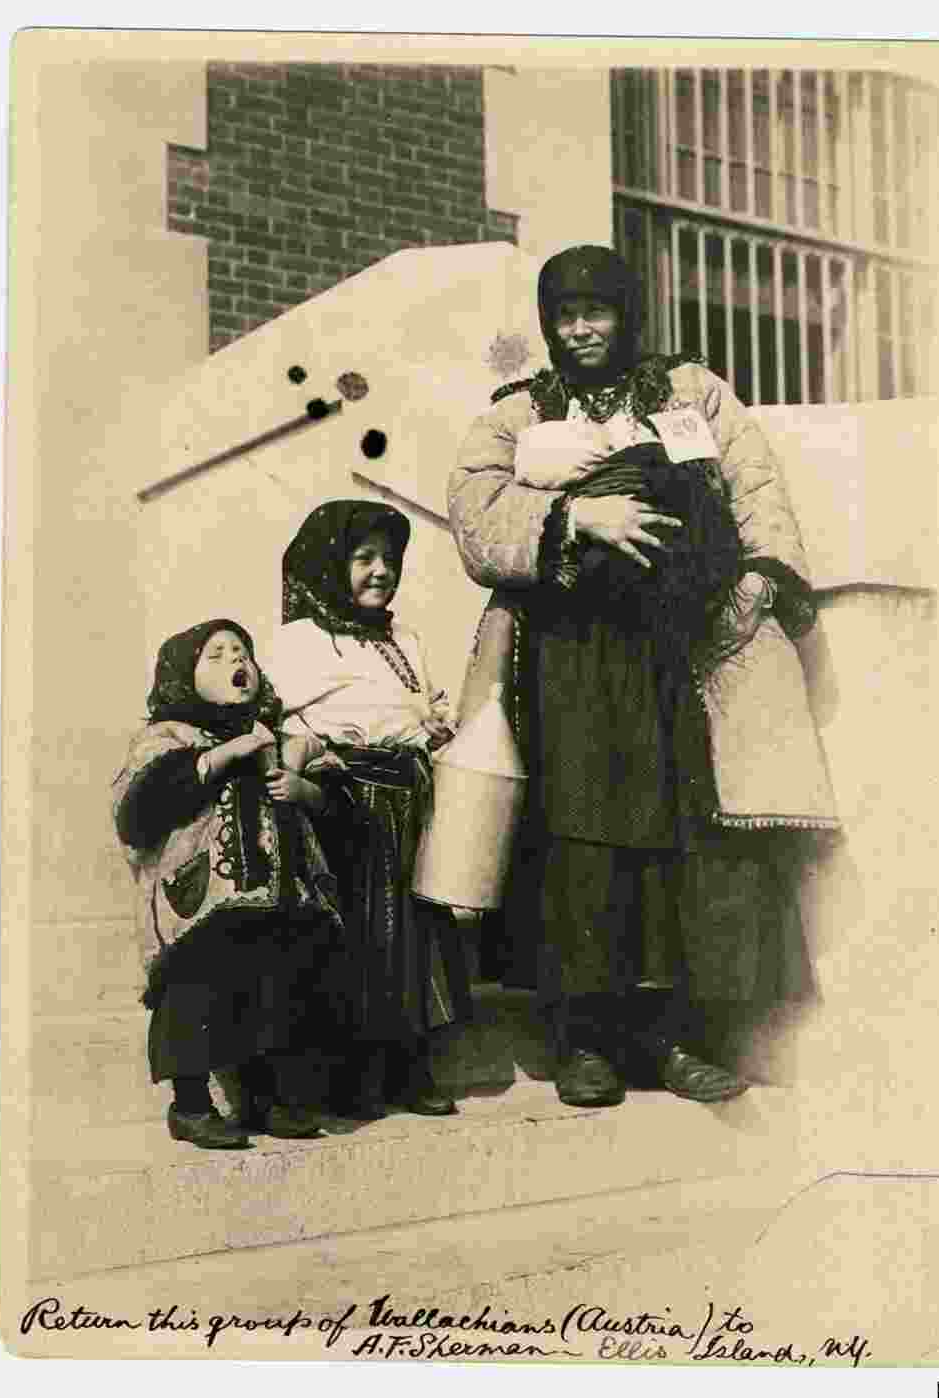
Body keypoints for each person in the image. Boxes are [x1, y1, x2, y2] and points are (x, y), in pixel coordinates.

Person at [448, 245, 839, 1109]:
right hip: (574, 652)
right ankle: (586, 1040)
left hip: (683, 648)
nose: (582, 330)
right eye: (565, 316)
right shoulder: (518, 412)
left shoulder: (690, 390)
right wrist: (577, 514)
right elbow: (473, 510)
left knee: (691, 836)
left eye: (598, 312)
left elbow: (754, 480)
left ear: (629, 313)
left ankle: (679, 1040)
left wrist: (761, 576)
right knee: (585, 835)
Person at [264, 500, 472, 1119]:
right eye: (363, 558)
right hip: (348, 806)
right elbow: (285, 726)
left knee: (415, 939)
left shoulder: (403, 637)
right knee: (358, 938)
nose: (381, 571)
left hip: (412, 802)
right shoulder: (300, 641)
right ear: (331, 566)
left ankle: (410, 1066)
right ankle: (353, 1075)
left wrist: (435, 727)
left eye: (390, 559)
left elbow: (417, 709)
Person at [113, 618, 351, 1149]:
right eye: (215, 655)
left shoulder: (284, 738)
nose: (235, 662)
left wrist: (306, 789)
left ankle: (263, 1100)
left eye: (241, 651)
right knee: (195, 991)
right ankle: (191, 1105)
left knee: (273, 990)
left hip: (277, 898)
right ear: (183, 674)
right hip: (199, 904)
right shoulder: (168, 737)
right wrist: (226, 754)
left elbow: (337, 787)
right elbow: (139, 811)